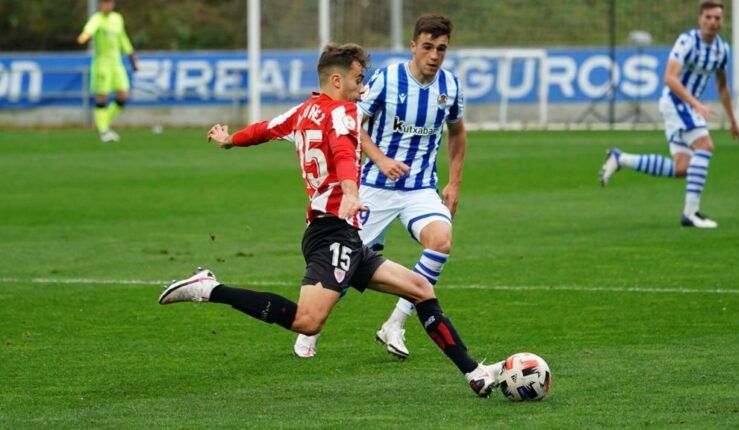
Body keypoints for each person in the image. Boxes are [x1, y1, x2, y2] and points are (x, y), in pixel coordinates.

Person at [158, 43, 503, 397]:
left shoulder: (303, 111)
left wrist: (229, 140)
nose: (363, 86)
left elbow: (263, 129)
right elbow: (341, 151)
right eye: (358, 78)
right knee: (307, 321)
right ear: (337, 80)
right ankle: (209, 288)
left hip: (342, 235)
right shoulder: (344, 113)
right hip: (331, 234)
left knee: (420, 289)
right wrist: (352, 192)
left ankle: (474, 372)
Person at [294, 15, 466, 360]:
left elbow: (457, 132)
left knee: (441, 241)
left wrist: (454, 182)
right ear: (413, 46)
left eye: (442, 49)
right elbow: (353, 122)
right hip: (373, 186)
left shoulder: (450, 87)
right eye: (428, 47)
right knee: (343, 261)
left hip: (419, 189)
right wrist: (381, 159)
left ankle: (396, 323)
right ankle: (312, 327)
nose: (434, 55)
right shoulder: (386, 79)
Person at [599, 1, 739, 228]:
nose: (713, 22)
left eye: (718, 18)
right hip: (676, 102)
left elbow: (722, 85)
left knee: (682, 168)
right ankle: (691, 214)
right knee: (705, 146)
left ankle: (620, 158)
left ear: (722, 21)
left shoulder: (722, 49)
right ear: (700, 19)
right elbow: (670, 78)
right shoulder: (687, 41)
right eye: (708, 17)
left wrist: (733, 120)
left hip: (686, 107)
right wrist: (697, 105)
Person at [77, 0, 138, 143]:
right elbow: (89, 30)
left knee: (123, 95)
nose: (107, 6)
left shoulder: (117, 18)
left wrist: (132, 58)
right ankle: (103, 130)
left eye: (109, 3)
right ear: (100, 5)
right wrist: (84, 36)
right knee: (102, 96)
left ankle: (103, 124)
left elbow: (123, 39)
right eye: (104, 3)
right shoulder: (97, 18)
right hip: (102, 63)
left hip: (116, 63)